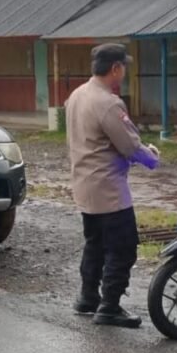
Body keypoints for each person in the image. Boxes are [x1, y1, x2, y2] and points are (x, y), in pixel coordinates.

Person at [64, 43, 160, 328]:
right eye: (124, 67)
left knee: (95, 243)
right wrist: (153, 158)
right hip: (108, 190)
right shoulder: (108, 103)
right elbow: (130, 146)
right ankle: (110, 306)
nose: (125, 72)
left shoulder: (76, 95)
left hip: (83, 185)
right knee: (123, 246)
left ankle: (88, 297)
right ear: (116, 68)